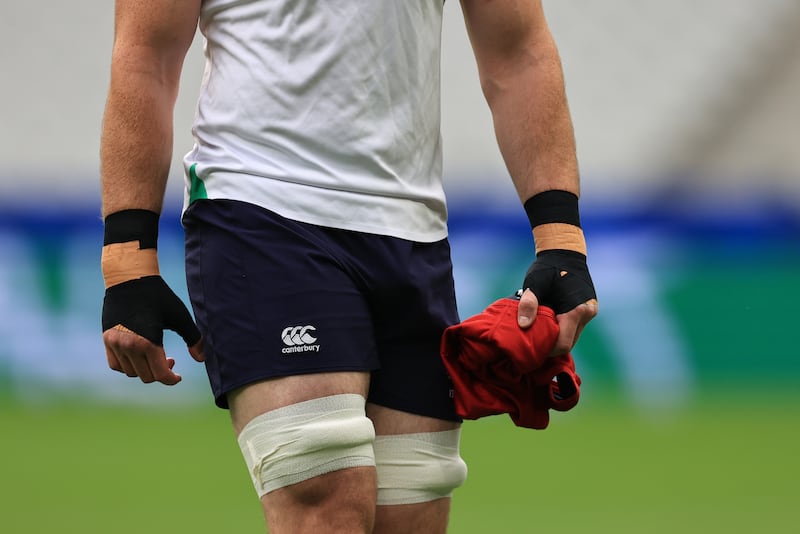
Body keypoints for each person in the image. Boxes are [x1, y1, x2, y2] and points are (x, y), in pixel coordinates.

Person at [99, 1, 598, 532]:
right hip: (265, 212)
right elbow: (145, 55)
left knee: (411, 518)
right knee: (326, 506)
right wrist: (127, 261)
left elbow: (517, 49)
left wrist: (560, 239)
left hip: (414, 230)